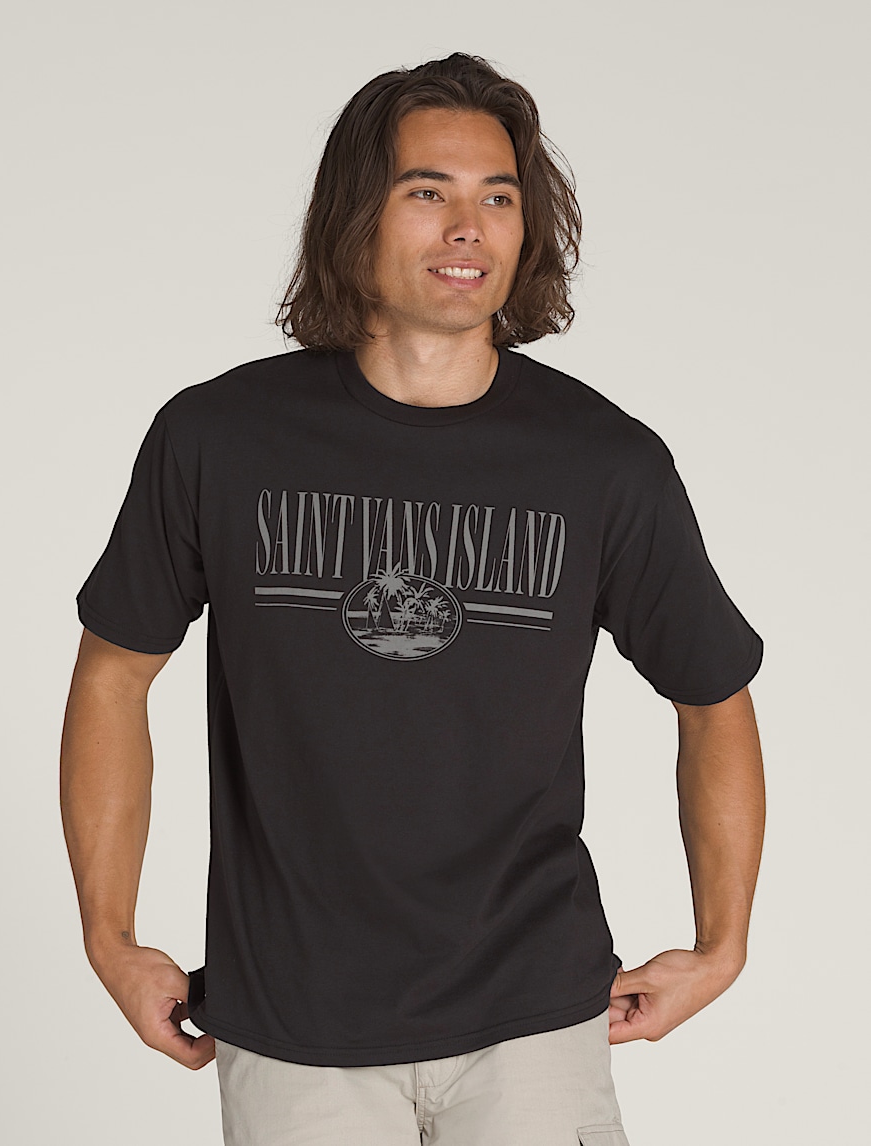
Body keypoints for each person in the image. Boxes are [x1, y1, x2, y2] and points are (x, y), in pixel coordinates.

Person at [60, 52, 765, 1146]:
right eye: (427, 191)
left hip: (531, 1016)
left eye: (499, 198)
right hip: (294, 1023)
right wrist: (110, 937)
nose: (468, 228)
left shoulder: (602, 463)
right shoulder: (218, 438)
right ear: (356, 215)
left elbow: (713, 696)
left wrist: (722, 945)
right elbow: (114, 673)